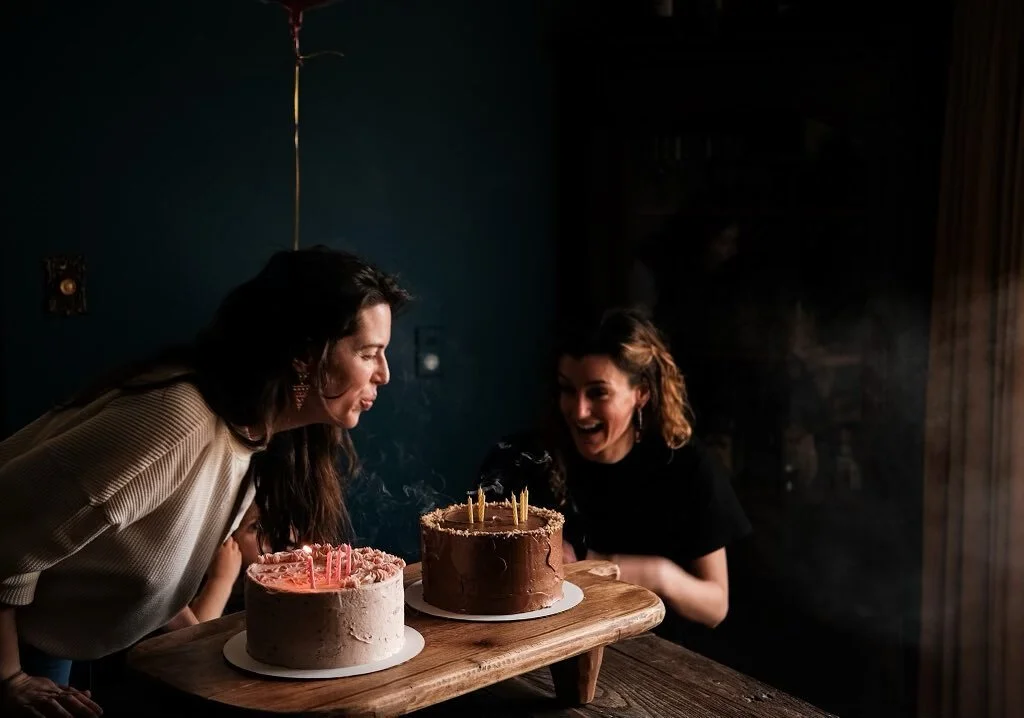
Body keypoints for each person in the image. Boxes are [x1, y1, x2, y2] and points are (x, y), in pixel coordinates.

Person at [0, 245, 409, 717]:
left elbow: (139, 549)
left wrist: (194, 641)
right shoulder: (178, 422)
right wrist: (10, 676)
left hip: (71, 642)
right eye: (368, 353)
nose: (384, 373)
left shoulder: (256, 435)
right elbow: (6, 531)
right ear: (304, 355)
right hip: (19, 640)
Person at [478, 308, 751, 647]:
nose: (578, 411)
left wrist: (652, 573)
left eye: (598, 393)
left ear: (642, 393)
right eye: (567, 389)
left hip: (656, 658)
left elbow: (715, 606)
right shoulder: (525, 459)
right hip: (545, 648)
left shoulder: (686, 467)